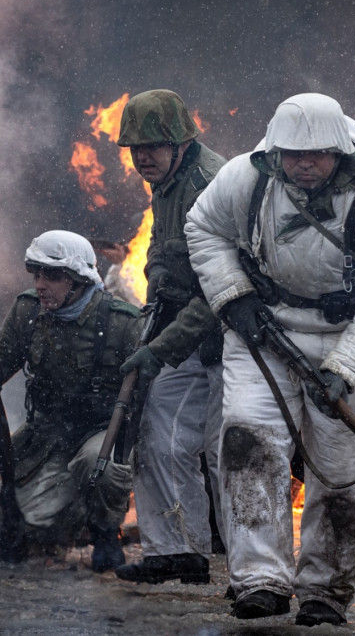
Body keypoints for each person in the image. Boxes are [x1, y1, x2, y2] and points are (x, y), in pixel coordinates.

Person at [184, 93, 355, 626]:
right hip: (262, 330)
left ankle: (326, 590)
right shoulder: (246, 179)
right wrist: (233, 296)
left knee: (344, 474)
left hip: (349, 335)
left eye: (316, 154)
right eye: (292, 153)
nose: (304, 164)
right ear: (276, 151)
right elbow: (204, 228)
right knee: (247, 442)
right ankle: (259, 579)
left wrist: (345, 368)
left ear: (339, 152)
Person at [0, 230, 141, 572]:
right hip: (49, 435)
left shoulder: (122, 322)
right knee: (8, 523)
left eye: (54, 276)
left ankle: (105, 533)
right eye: (37, 274)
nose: (41, 284)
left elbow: (146, 394)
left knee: (99, 468)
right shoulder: (27, 310)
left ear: (79, 279)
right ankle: (75, 513)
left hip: (102, 432)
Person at [112, 89, 228, 585]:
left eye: (153, 147)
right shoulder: (166, 180)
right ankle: (174, 551)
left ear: (181, 142)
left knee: (231, 453)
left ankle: (255, 569)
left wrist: (157, 349)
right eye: (135, 149)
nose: (143, 158)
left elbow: (219, 291)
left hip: (231, 339)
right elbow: (167, 257)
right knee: (156, 432)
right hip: (183, 332)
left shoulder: (210, 185)